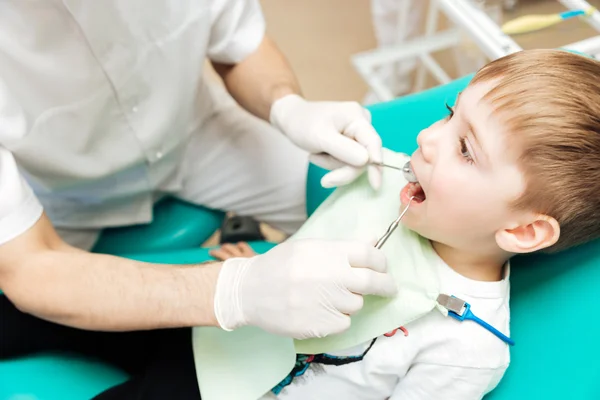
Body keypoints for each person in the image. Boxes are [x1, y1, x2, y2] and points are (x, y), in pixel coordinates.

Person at [0, 1, 399, 398]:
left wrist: (287, 105)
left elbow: (239, 44)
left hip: (200, 137)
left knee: (354, 191)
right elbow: (28, 266)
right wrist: (235, 290)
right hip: (61, 198)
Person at [209, 48, 600, 399]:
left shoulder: (465, 350)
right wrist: (256, 271)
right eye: (450, 114)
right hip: (221, 342)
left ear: (522, 231)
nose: (427, 138)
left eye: (465, 149)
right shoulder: (389, 183)